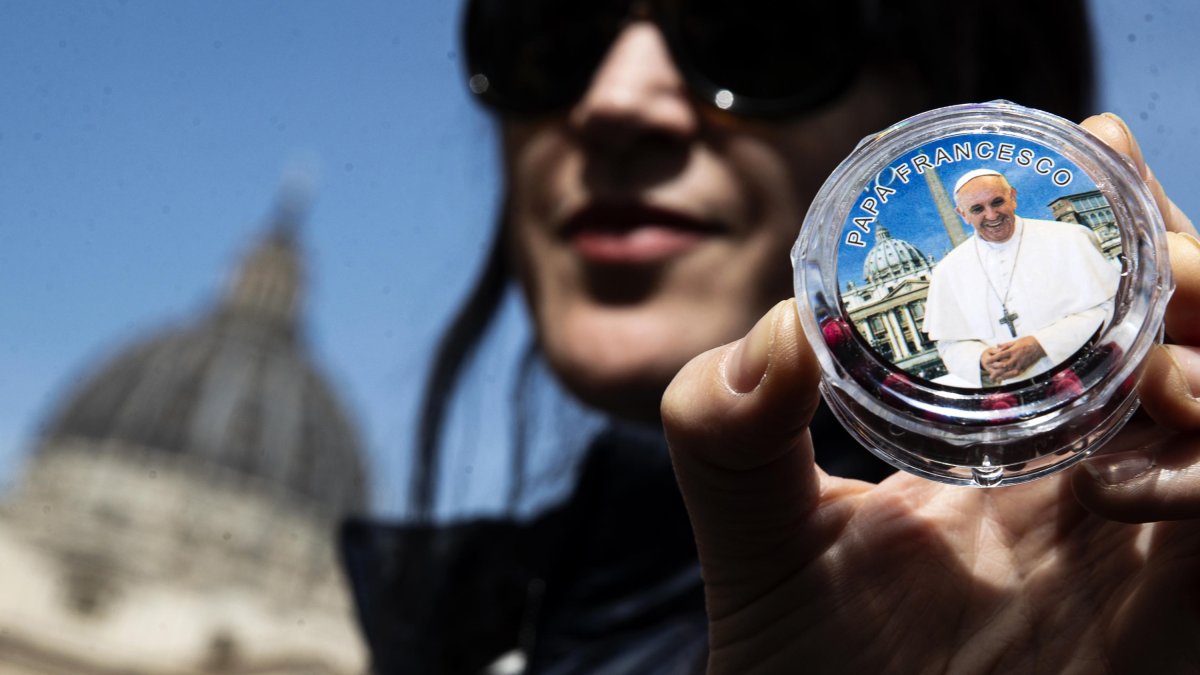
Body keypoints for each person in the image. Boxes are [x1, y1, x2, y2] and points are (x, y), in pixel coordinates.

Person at [340, 1, 1200, 673]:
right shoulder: (419, 620)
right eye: (549, 31)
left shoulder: (1126, 573)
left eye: (757, 28)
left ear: (953, 94)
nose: (614, 100)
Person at [922, 169, 1120, 386]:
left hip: (1090, 375)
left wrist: (1041, 344)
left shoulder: (1071, 239)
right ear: (963, 215)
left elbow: (1111, 307)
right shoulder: (947, 272)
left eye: (997, 202)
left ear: (1013, 197)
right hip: (1011, 395)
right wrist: (979, 358)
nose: (991, 215)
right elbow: (949, 343)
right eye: (977, 209)